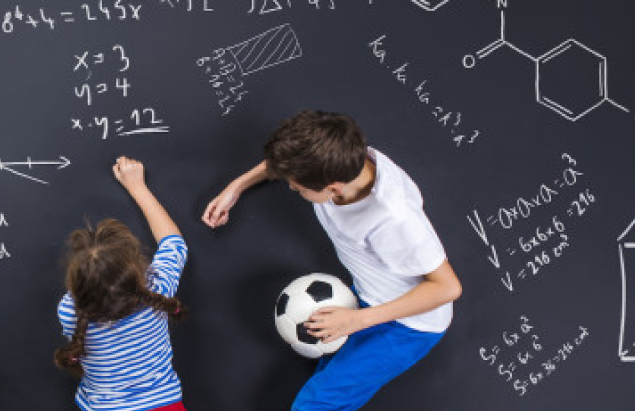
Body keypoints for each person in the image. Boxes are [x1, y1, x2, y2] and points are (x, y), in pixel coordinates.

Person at [202, 110, 463, 411]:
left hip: (407, 325)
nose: (291, 188)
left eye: (298, 188)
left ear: (333, 188)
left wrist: (357, 320)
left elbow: (447, 288)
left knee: (314, 405)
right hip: (368, 297)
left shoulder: (396, 219)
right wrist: (237, 186)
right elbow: (291, 161)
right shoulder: (342, 155)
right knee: (326, 390)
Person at [55, 156, 190, 411]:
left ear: (75, 286)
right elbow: (174, 242)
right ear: (138, 270)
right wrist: (137, 186)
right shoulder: (157, 288)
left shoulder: (69, 311)